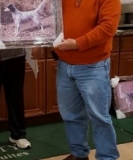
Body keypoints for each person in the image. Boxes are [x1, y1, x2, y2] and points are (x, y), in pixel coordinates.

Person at [32, 0, 121, 160]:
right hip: (65, 65)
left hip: (94, 66)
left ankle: (107, 157)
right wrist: (42, 42)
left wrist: (78, 44)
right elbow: (53, 23)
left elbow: (108, 27)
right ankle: (79, 155)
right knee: (71, 115)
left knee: (99, 117)